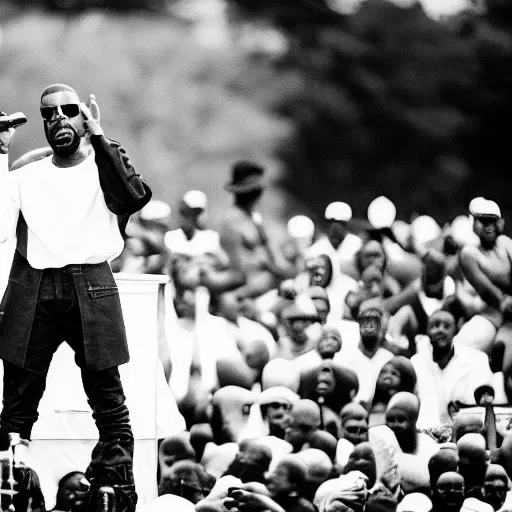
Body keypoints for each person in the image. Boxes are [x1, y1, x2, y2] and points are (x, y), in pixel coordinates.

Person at [0, 84, 152, 510]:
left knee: (107, 396)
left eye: (69, 110)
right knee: (18, 397)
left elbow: (134, 195)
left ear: (82, 116)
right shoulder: (27, 174)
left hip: (92, 281)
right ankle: (10, 482)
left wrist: (100, 136)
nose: (59, 119)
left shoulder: (103, 164)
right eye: (49, 114)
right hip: (36, 284)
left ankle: (115, 488)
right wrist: (0, 155)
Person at [457, 198, 512, 399]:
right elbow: (489, 292)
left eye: (492, 221)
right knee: (460, 347)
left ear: (500, 223)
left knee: (503, 361)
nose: (488, 227)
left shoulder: (506, 244)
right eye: (483, 221)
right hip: (493, 312)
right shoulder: (469, 254)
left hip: (509, 319)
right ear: (473, 224)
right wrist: (504, 301)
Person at [217, 161, 295, 300]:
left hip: (267, 281)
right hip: (247, 286)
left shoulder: (255, 219)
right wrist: (265, 264)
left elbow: (275, 255)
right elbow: (238, 266)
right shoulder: (231, 222)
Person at [411, 310, 494, 429]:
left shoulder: (476, 360)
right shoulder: (416, 363)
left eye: (446, 326)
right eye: (435, 326)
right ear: (426, 331)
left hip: (464, 433)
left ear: (456, 331)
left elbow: (480, 412)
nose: (440, 330)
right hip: (423, 434)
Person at [334, 305, 393, 406]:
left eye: (375, 321)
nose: (369, 325)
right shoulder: (343, 357)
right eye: (365, 321)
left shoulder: (388, 358)